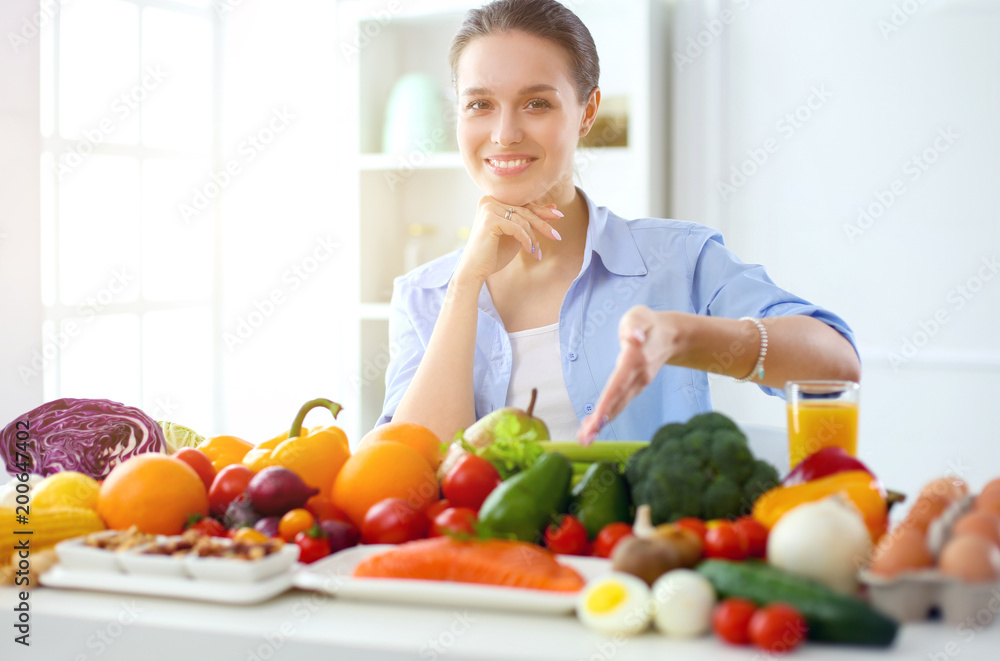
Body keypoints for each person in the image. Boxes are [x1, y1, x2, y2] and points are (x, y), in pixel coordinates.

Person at [377, 0, 860, 446]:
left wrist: (686, 337)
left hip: (642, 542)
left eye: (537, 103)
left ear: (587, 112)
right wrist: (465, 284)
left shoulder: (678, 260)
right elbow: (409, 473)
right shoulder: (424, 295)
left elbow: (837, 365)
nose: (504, 134)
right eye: (480, 104)